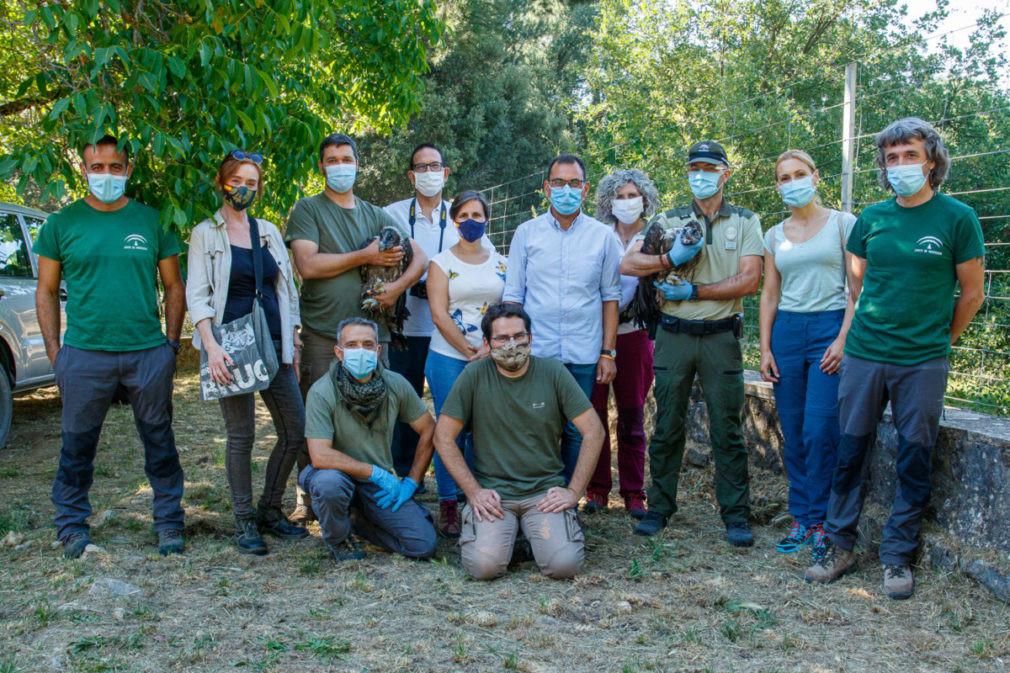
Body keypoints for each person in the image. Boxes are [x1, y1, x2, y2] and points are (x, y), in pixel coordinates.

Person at [804, 118, 985, 599]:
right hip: (865, 355)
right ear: (883, 167)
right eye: (892, 157)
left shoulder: (957, 218)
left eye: (910, 155)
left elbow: (971, 294)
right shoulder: (872, 219)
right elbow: (857, 287)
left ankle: (897, 556)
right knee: (849, 452)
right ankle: (840, 545)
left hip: (923, 361)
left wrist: (936, 341)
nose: (901, 164)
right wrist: (853, 337)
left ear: (932, 160)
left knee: (914, 457)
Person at [34, 134, 186, 558]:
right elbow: (45, 292)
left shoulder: (153, 220)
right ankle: (70, 526)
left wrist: (170, 347)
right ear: (83, 170)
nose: (106, 175)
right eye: (96, 167)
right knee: (77, 445)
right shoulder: (60, 224)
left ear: (128, 170)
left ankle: (170, 523)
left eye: (114, 167)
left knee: (160, 441)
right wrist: (55, 353)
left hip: (147, 352)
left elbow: (174, 286)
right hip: (83, 354)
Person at [620, 140, 762, 547]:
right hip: (673, 336)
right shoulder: (668, 219)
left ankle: (736, 515)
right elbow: (628, 263)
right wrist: (668, 259)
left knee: (728, 430)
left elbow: (751, 280)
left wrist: (696, 291)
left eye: (709, 167)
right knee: (666, 426)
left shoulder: (747, 221)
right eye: (693, 167)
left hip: (720, 337)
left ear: (725, 173)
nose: (700, 174)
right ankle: (660, 508)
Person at [285, 133, 427, 523]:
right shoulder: (308, 210)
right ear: (321, 167)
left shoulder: (375, 213)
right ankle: (310, 493)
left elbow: (422, 257)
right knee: (315, 414)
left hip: (372, 335)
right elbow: (309, 266)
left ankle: (370, 488)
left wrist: (396, 289)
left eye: (346, 158)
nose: (340, 166)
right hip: (322, 332)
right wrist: (364, 256)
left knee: (373, 413)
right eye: (331, 160)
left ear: (358, 164)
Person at [186, 150, 309, 555]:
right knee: (241, 435)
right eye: (237, 181)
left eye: (252, 183)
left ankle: (269, 510)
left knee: (294, 431)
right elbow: (198, 295)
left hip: (273, 341)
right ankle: (243, 523)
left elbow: (285, 288)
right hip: (231, 345)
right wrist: (211, 348)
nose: (244, 189)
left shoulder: (269, 230)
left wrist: (292, 337)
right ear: (222, 182)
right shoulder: (206, 232)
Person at [433, 304, 605, 580]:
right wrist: (474, 491)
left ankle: (528, 535)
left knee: (564, 565)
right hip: (494, 494)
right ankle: (513, 537)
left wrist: (573, 492)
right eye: (501, 338)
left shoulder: (553, 372)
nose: (511, 344)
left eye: (518, 336)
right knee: (483, 567)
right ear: (487, 344)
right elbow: (442, 436)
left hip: (544, 493)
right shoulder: (474, 376)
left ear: (531, 338)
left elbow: (593, 431)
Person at [758, 150, 857, 559]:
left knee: (821, 430)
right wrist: (764, 347)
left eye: (800, 174)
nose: (792, 182)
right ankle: (801, 517)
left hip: (828, 329)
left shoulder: (842, 224)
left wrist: (843, 339)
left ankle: (824, 522)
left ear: (816, 178)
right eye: (784, 177)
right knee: (794, 432)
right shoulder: (773, 234)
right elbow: (769, 293)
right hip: (787, 332)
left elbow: (857, 290)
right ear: (778, 185)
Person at [503, 154, 621, 482]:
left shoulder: (603, 237)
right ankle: (532, 497)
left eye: (573, 183)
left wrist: (607, 352)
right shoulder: (526, 234)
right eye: (558, 182)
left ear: (585, 190)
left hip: (584, 352)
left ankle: (567, 503)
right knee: (533, 427)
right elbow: (513, 296)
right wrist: (513, 347)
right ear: (546, 188)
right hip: (536, 352)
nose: (565, 189)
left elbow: (610, 297)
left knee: (575, 431)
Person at [383, 145, 494, 484]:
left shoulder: (463, 214)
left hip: (452, 335)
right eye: (421, 167)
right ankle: (406, 476)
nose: (428, 173)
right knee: (405, 406)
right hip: (405, 328)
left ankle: (465, 483)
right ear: (410, 175)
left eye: (435, 166)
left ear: (445, 173)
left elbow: (484, 262)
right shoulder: (392, 214)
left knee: (459, 413)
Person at [299, 317, 438, 562]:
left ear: (378, 350)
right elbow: (320, 455)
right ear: (338, 353)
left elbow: (429, 429)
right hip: (333, 474)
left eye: (367, 344)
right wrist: (375, 472)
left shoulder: (395, 385)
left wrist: (412, 482)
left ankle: (357, 520)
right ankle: (338, 538)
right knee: (329, 484)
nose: (360, 351)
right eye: (351, 345)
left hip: (376, 486)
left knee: (422, 544)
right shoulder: (322, 391)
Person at [424, 190, 506, 536]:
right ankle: (447, 504)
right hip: (449, 357)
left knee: (483, 431)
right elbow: (439, 314)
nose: (471, 221)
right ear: (453, 220)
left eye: (478, 215)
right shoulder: (441, 262)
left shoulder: (502, 262)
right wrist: (471, 351)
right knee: (450, 431)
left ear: (487, 219)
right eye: (464, 215)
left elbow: (508, 308)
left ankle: (476, 499)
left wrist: (489, 350)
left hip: (492, 357)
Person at [583, 169, 660, 519]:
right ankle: (596, 490)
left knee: (631, 416)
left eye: (633, 195)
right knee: (593, 415)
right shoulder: (598, 235)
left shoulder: (656, 234)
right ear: (608, 201)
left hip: (636, 334)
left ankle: (633, 493)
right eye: (620, 196)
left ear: (645, 197)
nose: (627, 202)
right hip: (594, 335)